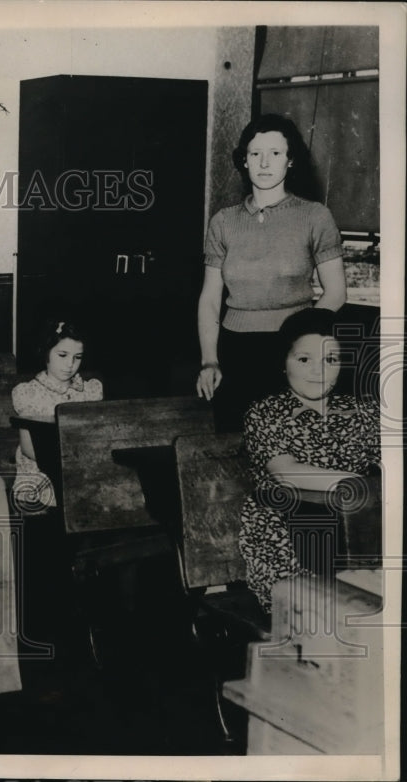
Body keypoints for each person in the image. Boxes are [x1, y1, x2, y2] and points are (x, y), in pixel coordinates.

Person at [196, 114, 346, 432]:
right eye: (255, 154)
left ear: (290, 161)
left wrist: (302, 343)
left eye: (275, 153)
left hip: (294, 350)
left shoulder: (315, 216)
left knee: (293, 449)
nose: (265, 162)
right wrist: (209, 360)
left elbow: (336, 292)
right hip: (235, 352)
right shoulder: (223, 222)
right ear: (245, 161)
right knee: (235, 450)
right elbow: (210, 297)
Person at [239, 308, 380, 612]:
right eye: (304, 359)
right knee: (334, 612)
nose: (318, 371)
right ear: (283, 362)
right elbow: (285, 472)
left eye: (331, 360)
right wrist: (362, 485)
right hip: (287, 535)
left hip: (352, 531)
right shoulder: (267, 412)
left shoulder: (362, 411)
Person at [12, 318, 103, 511]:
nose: (70, 364)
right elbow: (29, 449)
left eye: (77, 357)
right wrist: (70, 464)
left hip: (82, 470)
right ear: (46, 352)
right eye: (62, 355)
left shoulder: (89, 391)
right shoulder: (30, 393)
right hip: (44, 474)